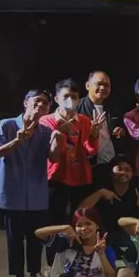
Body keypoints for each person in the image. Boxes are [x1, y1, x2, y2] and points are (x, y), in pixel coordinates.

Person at [0, 89, 56, 277]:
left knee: (36, 237)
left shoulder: (45, 132)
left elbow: (54, 158)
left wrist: (58, 139)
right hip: (12, 194)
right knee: (15, 239)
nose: (41, 105)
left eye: (45, 103)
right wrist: (16, 141)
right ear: (26, 102)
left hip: (36, 194)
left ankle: (35, 274)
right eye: (37, 101)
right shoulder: (6, 125)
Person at [40, 79, 102, 264]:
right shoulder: (46, 121)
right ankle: (53, 263)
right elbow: (50, 154)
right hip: (56, 177)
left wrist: (94, 135)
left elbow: (90, 150)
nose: (70, 100)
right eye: (66, 96)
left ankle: (78, 259)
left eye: (74, 97)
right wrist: (59, 132)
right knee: (56, 221)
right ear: (57, 99)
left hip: (79, 177)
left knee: (79, 220)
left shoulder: (83, 121)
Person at [78, 71, 126, 187]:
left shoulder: (114, 106)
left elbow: (123, 130)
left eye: (106, 85)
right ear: (87, 85)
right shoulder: (78, 107)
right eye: (99, 84)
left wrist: (121, 131)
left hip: (111, 165)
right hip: (87, 165)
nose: (103, 88)